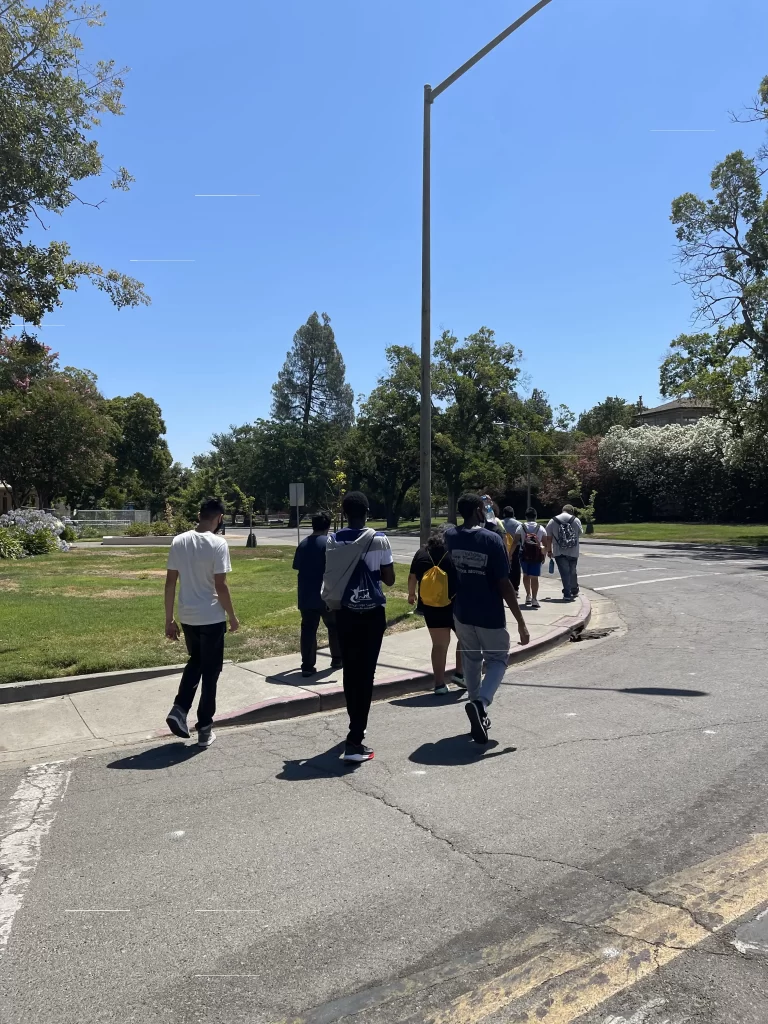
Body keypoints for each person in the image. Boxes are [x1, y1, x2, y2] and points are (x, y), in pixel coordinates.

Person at [445, 493, 529, 744]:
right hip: (489, 614)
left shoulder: (450, 536)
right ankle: (481, 705)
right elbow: (504, 584)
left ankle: (474, 706)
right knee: (498, 659)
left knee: (471, 659)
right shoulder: (491, 539)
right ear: (480, 510)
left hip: (462, 611)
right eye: (485, 508)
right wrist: (521, 622)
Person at [321, 491, 395, 763]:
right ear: (366, 511)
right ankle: (355, 739)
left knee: (351, 672)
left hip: (345, 613)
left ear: (344, 513)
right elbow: (388, 579)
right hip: (372, 614)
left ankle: (354, 727)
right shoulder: (379, 539)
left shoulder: (333, 540)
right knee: (367, 674)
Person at [164, 497, 239, 748]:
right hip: (212, 616)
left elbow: (170, 583)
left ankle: (180, 708)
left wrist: (169, 619)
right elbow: (221, 585)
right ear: (219, 518)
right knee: (211, 672)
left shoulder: (179, 541)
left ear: (199, 515)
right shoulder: (218, 544)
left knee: (196, 661)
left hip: (187, 616)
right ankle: (204, 726)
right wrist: (232, 615)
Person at [408, 525, 464, 695]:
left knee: (439, 645)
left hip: (431, 606)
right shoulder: (454, 552)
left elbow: (412, 577)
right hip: (455, 604)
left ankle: (439, 684)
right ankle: (460, 674)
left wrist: (411, 594)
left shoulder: (421, 553)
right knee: (466, 639)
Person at [293, 512, 342, 677]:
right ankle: (337, 659)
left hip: (306, 594)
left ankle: (307, 665)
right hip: (327, 594)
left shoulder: (303, 544)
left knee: (308, 630)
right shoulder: (330, 543)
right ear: (327, 527)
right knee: (334, 627)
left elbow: (298, 567)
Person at [546, 503, 583, 601]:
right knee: (572, 570)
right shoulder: (576, 520)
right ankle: (574, 589)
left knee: (564, 573)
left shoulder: (552, 521)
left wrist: (549, 551)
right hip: (573, 551)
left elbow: (548, 538)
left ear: (562, 510)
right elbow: (579, 533)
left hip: (559, 551)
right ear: (572, 511)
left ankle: (567, 594)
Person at [515, 508, 547, 609]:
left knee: (525, 575)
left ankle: (528, 596)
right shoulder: (541, 528)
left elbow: (515, 542)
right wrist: (544, 555)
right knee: (534, 577)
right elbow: (545, 544)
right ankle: (534, 599)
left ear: (526, 517)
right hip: (536, 555)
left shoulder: (521, 527)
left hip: (524, 554)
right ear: (536, 516)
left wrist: (510, 554)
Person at [502, 505, 522, 596]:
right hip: (515, 547)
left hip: (503, 546)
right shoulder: (518, 524)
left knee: (503, 567)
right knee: (516, 566)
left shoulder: (500, 523)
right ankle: (515, 588)